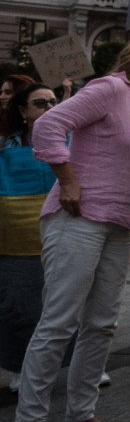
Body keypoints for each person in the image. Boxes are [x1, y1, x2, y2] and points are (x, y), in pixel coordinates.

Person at [15, 29, 130, 422]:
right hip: (78, 216)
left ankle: (80, 415)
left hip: (118, 224)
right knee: (59, 321)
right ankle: (31, 420)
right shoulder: (108, 88)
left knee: (102, 323)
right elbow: (49, 127)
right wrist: (69, 180)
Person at [0, 84, 58, 394]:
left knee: (59, 305)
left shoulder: (71, 140)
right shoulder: (3, 145)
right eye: (40, 103)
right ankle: (22, 365)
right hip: (15, 240)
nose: (49, 107)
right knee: (18, 306)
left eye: (53, 101)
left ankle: (62, 366)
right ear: (23, 111)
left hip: (58, 234)